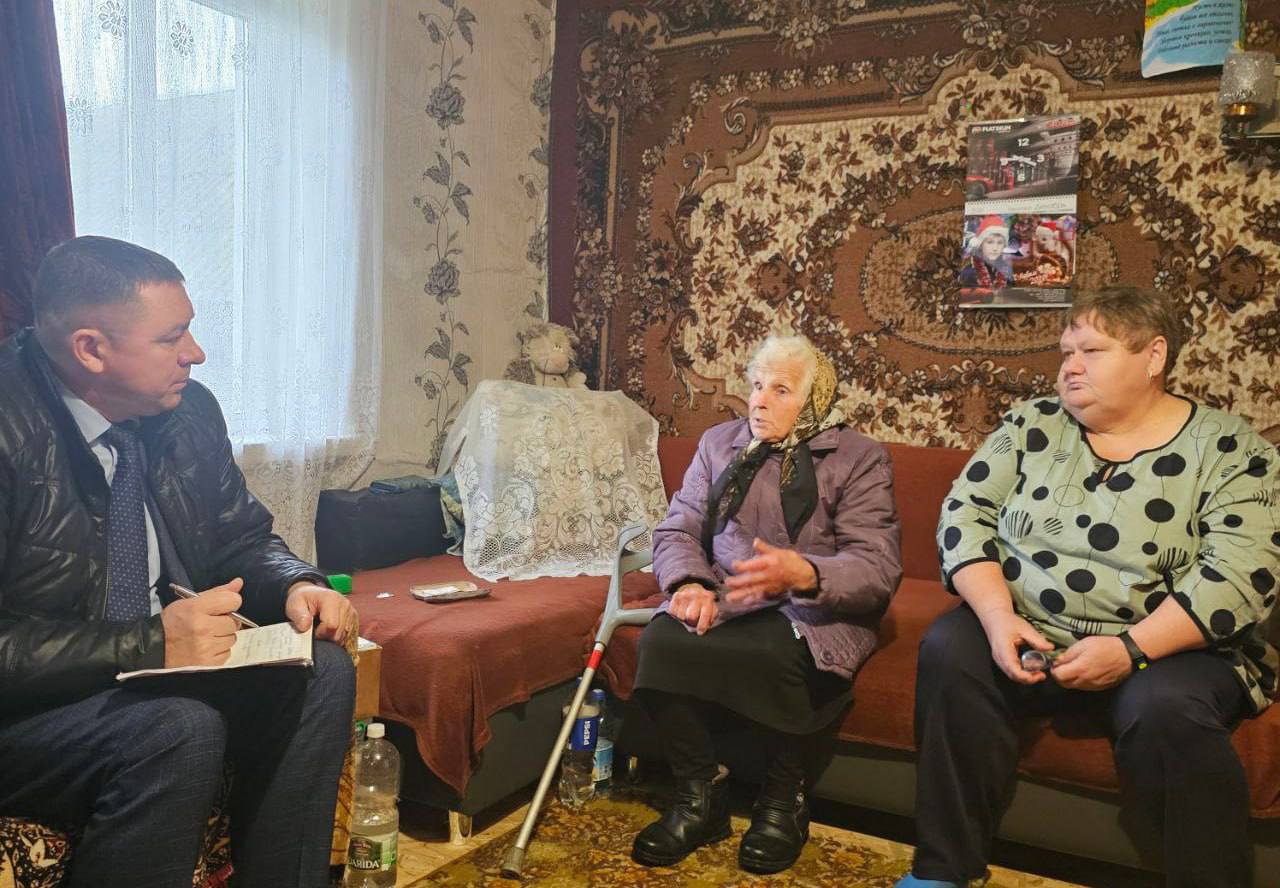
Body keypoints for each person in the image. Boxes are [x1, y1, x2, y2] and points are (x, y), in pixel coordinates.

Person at [0, 236, 357, 888]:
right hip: (29, 709)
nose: (196, 353)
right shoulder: (9, 428)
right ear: (91, 349)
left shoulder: (187, 411)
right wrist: (148, 643)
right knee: (176, 728)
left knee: (323, 670)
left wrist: (296, 584)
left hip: (144, 670)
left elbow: (239, 538)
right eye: (172, 338)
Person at [897, 286, 1279, 888]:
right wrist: (997, 618)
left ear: (1154, 357)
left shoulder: (1230, 449)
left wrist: (1131, 651)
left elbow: (1240, 573)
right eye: (1066, 352)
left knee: (1165, 709)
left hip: (1171, 651)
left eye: (1092, 351)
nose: (1070, 366)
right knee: (950, 648)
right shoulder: (1032, 424)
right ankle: (943, 868)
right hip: (1030, 628)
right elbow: (964, 515)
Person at [630, 334, 902, 874]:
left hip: (814, 603)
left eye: (780, 389)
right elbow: (679, 527)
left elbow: (876, 565)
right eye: (756, 385)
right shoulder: (719, 444)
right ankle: (698, 796)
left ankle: (782, 802)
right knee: (661, 641)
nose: (758, 400)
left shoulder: (859, 457)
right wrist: (690, 583)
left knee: (778, 652)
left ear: (815, 398)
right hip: (728, 592)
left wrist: (806, 572)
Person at [958, 215, 1013, 293]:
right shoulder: (969, 273)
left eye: (1000, 243)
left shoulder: (1007, 271)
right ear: (981, 244)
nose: (995, 248)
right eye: (990, 242)